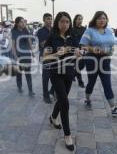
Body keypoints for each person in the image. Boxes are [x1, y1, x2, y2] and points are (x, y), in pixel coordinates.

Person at [43, 11, 81, 151]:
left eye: (67, 21)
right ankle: (67, 135)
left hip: (69, 73)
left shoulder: (73, 37)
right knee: (64, 102)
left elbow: (78, 54)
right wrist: (56, 53)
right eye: (62, 21)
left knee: (61, 100)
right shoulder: (51, 37)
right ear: (57, 23)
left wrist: (78, 55)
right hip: (56, 73)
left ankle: (53, 117)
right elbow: (45, 58)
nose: (64, 24)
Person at [80, 11, 117, 115]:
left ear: (107, 20)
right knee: (91, 83)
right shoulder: (90, 31)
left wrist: (111, 50)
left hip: (105, 61)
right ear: (95, 19)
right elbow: (83, 46)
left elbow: (111, 44)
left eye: (104, 18)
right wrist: (95, 49)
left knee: (107, 84)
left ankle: (113, 108)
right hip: (92, 60)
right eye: (99, 18)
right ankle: (87, 98)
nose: (102, 20)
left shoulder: (109, 31)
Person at [11, 17, 35, 96]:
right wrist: (15, 56)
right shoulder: (14, 31)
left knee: (28, 73)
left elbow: (29, 42)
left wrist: (32, 52)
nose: (23, 23)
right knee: (19, 72)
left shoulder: (25, 30)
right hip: (19, 54)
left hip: (26, 54)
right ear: (17, 23)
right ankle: (19, 86)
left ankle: (30, 90)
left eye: (24, 22)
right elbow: (13, 45)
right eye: (21, 22)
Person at [36, 13, 54, 104]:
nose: (50, 20)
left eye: (51, 18)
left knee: (56, 75)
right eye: (47, 19)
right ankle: (45, 95)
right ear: (44, 20)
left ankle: (52, 91)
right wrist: (51, 37)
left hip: (55, 56)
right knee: (46, 77)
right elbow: (42, 44)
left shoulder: (54, 29)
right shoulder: (40, 31)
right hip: (45, 56)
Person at [71, 14, 86, 88]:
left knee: (82, 65)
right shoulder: (72, 29)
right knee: (77, 65)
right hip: (75, 50)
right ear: (75, 20)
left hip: (83, 49)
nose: (80, 20)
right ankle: (80, 82)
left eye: (81, 19)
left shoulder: (84, 29)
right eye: (79, 19)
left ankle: (72, 74)